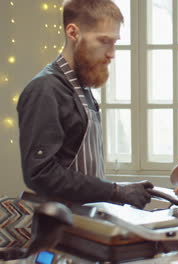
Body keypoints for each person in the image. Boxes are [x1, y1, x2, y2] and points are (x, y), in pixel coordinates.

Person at [17, 0, 153, 209]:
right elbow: (40, 173)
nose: (111, 53)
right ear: (73, 33)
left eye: (114, 42)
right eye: (104, 41)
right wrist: (114, 191)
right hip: (59, 229)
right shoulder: (45, 90)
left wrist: (120, 188)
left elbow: (83, 173)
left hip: (86, 221)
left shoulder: (82, 88)